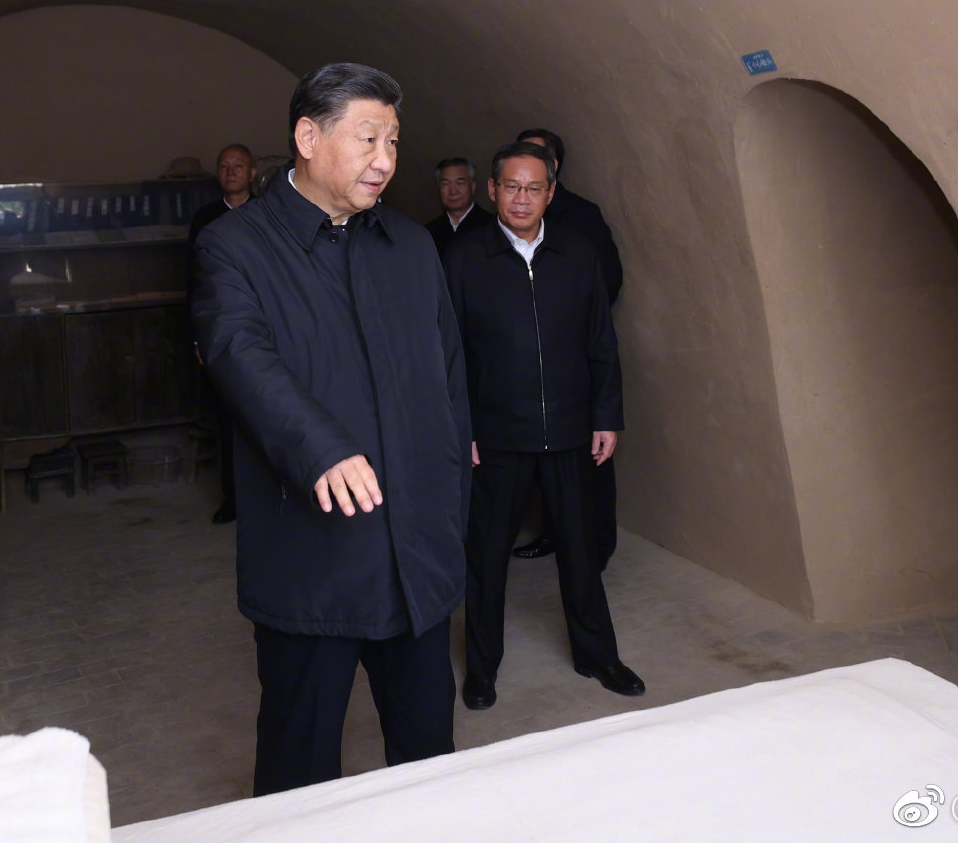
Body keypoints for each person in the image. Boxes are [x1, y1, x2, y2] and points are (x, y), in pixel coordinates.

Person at [191, 63, 471, 796]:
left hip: (416, 557)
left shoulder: (409, 244)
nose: (385, 159)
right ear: (308, 137)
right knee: (300, 768)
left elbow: (448, 374)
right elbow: (237, 353)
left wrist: (451, 504)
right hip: (314, 558)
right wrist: (321, 447)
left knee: (429, 760)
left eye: (393, 141)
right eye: (367, 137)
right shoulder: (236, 245)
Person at [444, 140, 643, 710]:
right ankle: (482, 668)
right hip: (496, 437)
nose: (522, 198)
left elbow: (601, 341)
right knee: (486, 558)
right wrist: (463, 427)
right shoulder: (463, 258)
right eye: (511, 186)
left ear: (551, 193)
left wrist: (605, 416)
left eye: (534, 188)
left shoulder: (577, 253)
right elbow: (446, 352)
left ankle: (597, 654)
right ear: (492, 190)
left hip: (571, 432)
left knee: (580, 550)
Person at [511, 127, 624, 564]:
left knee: (591, 462)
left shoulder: (581, 215)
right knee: (543, 465)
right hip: (527, 369)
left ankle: (597, 547)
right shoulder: (508, 218)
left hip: (573, 362)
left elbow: (606, 284)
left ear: (554, 168)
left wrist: (563, 325)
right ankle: (553, 534)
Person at [188, 143, 257, 524]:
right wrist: (198, 337)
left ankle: (269, 500)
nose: (231, 172)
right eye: (224, 166)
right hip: (221, 331)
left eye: (238, 166)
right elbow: (194, 282)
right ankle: (233, 498)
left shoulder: (268, 214)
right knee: (228, 418)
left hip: (263, 330)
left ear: (252, 173)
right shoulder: (206, 219)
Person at [425, 156, 494, 256]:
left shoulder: (492, 227)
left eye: (460, 183)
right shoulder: (427, 232)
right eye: (446, 184)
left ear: (473, 187)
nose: (453, 191)